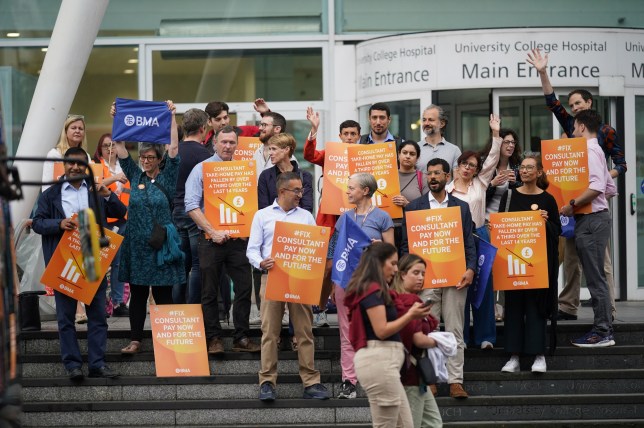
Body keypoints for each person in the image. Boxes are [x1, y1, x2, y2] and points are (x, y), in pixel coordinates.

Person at [526, 49, 624, 322]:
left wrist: (603, 180)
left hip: (591, 202)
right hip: (570, 203)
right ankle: (568, 306)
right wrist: (543, 71)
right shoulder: (571, 126)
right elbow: (551, 101)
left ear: (589, 103)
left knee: (600, 262)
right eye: (572, 104)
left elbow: (621, 164)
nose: (574, 107)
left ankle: (608, 310)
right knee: (570, 257)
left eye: (578, 103)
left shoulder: (604, 132)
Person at [32, 147, 126, 380]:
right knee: (65, 318)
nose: (74, 167)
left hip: (93, 259)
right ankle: (72, 365)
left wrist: (107, 194)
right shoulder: (50, 194)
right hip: (63, 262)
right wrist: (59, 223)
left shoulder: (95, 191)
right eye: (70, 163)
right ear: (64, 165)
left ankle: (97, 364)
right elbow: (37, 223)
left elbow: (121, 212)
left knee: (98, 316)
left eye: (79, 164)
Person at [246, 171, 330, 402]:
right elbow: (252, 249)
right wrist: (260, 262)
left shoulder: (306, 216)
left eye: (301, 190)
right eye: (297, 190)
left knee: (304, 331)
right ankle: (267, 382)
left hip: (300, 279)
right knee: (269, 333)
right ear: (282, 191)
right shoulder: (262, 216)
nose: (301, 194)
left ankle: (311, 382)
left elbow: (315, 247)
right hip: (271, 277)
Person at [111, 101, 184, 355]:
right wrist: (117, 118)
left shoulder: (167, 175)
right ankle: (135, 340)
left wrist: (172, 117)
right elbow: (119, 148)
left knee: (164, 295)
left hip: (160, 245)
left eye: (150, 157)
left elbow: (174, 147)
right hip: (137, 246)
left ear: (159, 159)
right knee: (139, 295)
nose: (145, 161)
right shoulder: (135, 175)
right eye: (142, 157)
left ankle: (168, 342)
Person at [400, 158, 477, 399]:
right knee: (426, 331)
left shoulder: (461, 207)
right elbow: (405, 247)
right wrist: (413, 275)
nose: (433, 177)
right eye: (429, 173)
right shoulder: (414, 208)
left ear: (447, 177)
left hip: (456, 278)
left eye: (437, 173)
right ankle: (430, 379)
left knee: (455, 330)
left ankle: (456, 381)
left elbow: (469, 242)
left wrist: (471, 269)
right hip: (427, 280)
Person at [185, 125, 260, 354]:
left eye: (232, 142)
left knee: (244, 288)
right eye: (224, 142)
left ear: (238, 145)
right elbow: (190, 205)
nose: (228, 146)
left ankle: (241, 337)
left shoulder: (244, 170)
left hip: (238, 240)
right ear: (214, 143)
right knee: (209, 291)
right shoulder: (202, 169)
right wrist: (212, 230)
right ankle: (213, 339)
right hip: (209, 239)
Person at [344, 242, 431, 427]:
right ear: (379, 263)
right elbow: (382, 330)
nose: (396, 268)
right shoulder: (371, 289)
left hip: (384, 363)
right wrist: (410, 315)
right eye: (392, 263)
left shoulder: (377, 290)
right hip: (379, 362)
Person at [333, 172, 395, 399]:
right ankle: (348, 382)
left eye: (351, 188)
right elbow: (336, 252)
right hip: (345, 284)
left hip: (372, 283)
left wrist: (380, 247)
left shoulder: (383, 217)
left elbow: (393, 255)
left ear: (365, 191)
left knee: (376, 331)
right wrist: (333, 283)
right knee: (347, 333)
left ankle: (378, 380)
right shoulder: (344, 218)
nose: (347, 191)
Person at [498, 155, 561, 374]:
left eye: (529, 168)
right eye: (522, 168)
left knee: (536, 308)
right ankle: (513, 356)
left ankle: (539, 356)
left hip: (537, 265)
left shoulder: (548, 200)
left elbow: (557, 231)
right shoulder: (508, 197)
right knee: (514, 308)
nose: (524, 171)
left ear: (539, 172)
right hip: (514, 264)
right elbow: (500, 227)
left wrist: (545, 224)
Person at [560, 110, 617, 347]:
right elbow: (610, 188)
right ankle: (603, 329)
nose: (572, 130)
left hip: (591, 219)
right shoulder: (597, 151)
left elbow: (596, 187)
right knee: (596, 277)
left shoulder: (589, 151)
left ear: (582, 126)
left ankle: (603, 331)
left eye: (574, 126)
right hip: (594, 218)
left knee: (595, 279)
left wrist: (571, 204)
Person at [446, 115, 502, 351]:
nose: (468, 168)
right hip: (456, 240)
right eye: (465, 164)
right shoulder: (446, 189)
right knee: (460, 290)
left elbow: (491, 160)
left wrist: (495, 135)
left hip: (479, 235)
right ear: (457, 166)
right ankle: (463, 338)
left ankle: (486, 336)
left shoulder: (480, 184)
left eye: (473, 165)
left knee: (485, 287)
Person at [303, 111, 361, 323]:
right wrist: (314, 130)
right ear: (340, 135)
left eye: (352, 133)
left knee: (354, 264)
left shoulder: (367, 156)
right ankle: (320, 306)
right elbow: (310, 156)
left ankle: (349, 306)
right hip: (331, 218)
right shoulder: (332, 154)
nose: (348, 137)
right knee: (327, 266)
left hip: (357, 218)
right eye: (345, 133)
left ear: (359, 136)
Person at [391, 254, 443, 428]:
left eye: (423, 273)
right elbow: (418, 339)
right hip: (411, 374)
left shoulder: (399, 300)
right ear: (403, 274)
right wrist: (440, 342)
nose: (421, 277)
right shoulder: (409, 302)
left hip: (412, 375)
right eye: (416, 273)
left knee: (433, 423)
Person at [482, 128, 523, 322]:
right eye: (506, 142)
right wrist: (492, 184)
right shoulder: (487, 166)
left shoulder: (518, 167)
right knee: (490, 268)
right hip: (488, 222)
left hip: (509, 224)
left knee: (508, 267)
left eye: (513, 142)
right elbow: (478, 195)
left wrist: (517, 184)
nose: (510, 145)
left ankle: (506, 309)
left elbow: (522, 197)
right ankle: (492, 309)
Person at [172, 108, 211, 305]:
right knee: (197, 265)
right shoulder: (205, 155)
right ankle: (194, 308)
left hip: (176, 211)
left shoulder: (174, 151)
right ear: (203, 129)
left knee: (180, 265)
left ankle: (177, 310)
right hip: (196, 213)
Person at [92, 133, 130, 317]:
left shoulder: (124, 166)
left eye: (113, 145)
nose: (110, 149)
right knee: (102, 262)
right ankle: (99, 302)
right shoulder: (97, 166)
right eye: (106, 145)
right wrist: (115, 179)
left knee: (119, 263)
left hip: (123, 219)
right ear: (100, 148)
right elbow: (94, 184)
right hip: (104, 221)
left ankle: (118, 302)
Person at [257, 133, 313, 212]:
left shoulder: (304, 176)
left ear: (286, 150)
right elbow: (263, 208)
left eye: (274, 149)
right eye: (269, 149)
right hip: (272, 222)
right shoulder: (266, 176)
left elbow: (307, 207)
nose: (270, 153)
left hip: (297, 222)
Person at [393, 140, 429, 252]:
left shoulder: (423, 179)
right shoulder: (388, 175)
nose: (408, 156)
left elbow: (428, 209)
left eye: (412, 154)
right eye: (404, 152)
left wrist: (408, 204)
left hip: (412, 230)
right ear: (398, 154)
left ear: (417, 158)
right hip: (388, 229)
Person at [41, 114, 89, 192]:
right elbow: (46, 186)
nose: (77, 131)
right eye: (73, 128)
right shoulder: (54, 154)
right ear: (66, 132)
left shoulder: (87, 156)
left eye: (80, 128)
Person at [202, 99, 270, 153]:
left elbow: (270, 130)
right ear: (209, 122)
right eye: (218, 119)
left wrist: (266, 113)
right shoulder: (204, 145)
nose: (223, 122)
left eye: (225, 118)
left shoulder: (244, 131)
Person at [416, 105, 461, 175]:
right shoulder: (414, 149)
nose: (426, 123)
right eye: (424, 120)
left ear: (442, 124)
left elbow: (458, 179)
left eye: (431, 120)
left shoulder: (454, 150)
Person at [253, 111, 297, 179]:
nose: (260, 128)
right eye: (260, 124)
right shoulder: (256, 153)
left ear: (277, 129)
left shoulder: (288, 158)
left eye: (264, 125)